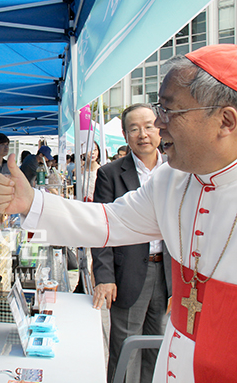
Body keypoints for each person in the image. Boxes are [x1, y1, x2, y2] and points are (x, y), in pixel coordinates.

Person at [0, 44, 237, 382]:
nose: (158, 126)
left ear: (225, 121)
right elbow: (111, 221)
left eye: (169, 112)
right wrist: (33, 202)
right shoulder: (171, 179)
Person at [92, 103, 171, 383]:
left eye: (149, 126)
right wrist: (104, 276)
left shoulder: (177, 169)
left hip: (168, 273)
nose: (143, 134)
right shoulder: (111, 173)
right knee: (125, 348)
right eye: (134, 128)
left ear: (160, 126)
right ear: (125, 135)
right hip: (128, 274)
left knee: (160, 348)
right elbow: (101, 229)